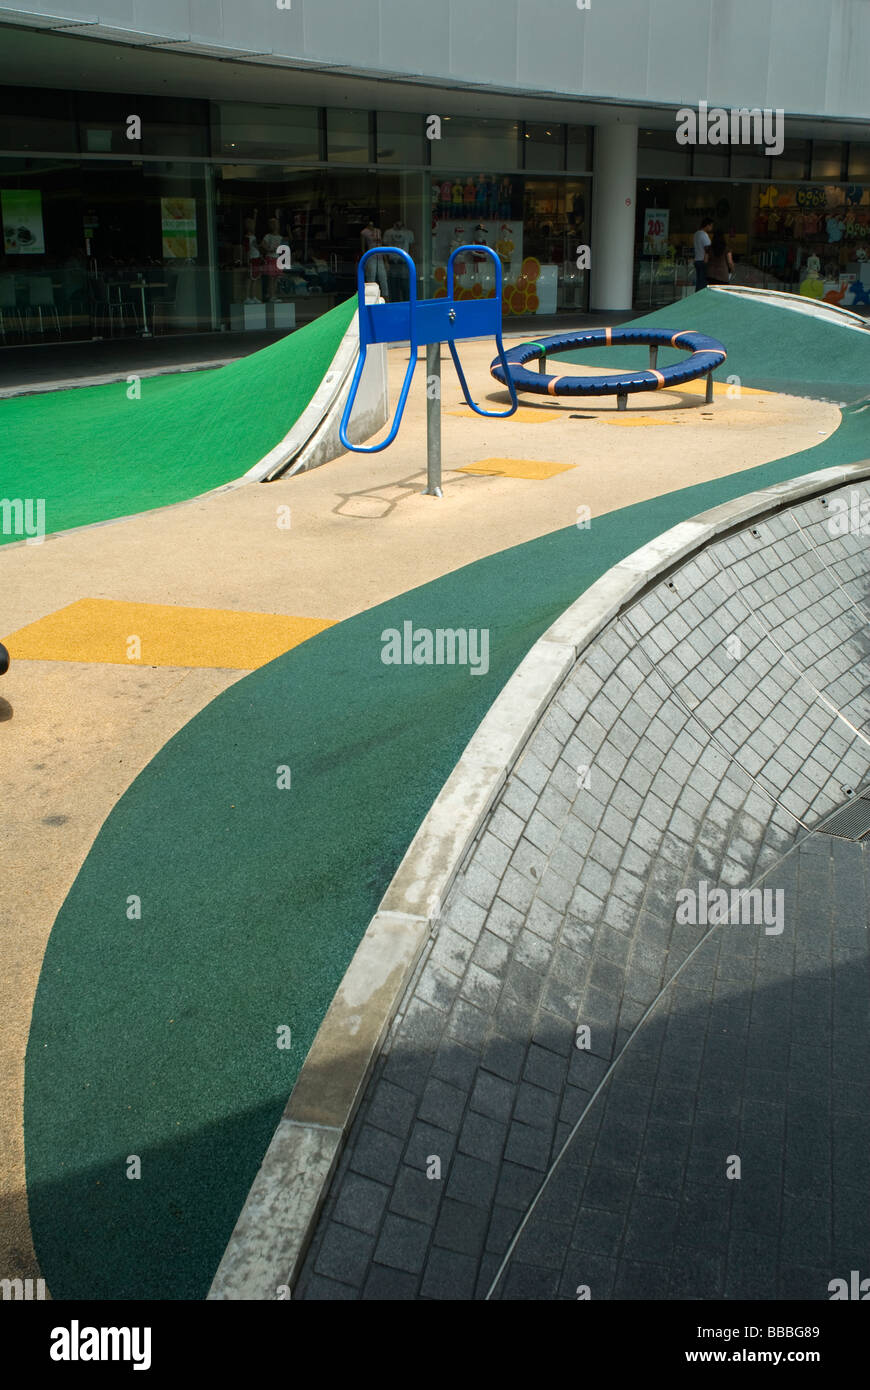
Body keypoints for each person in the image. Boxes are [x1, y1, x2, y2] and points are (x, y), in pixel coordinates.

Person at [693, 217, 713, 291]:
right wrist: (707, 259)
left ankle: (697, 296)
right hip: (703, 260)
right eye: (711, 226)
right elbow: (707, 248)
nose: (711, 228)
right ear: (707, 225)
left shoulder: (696, 234)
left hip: (697, 260)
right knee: (703, 283)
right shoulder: (704, 234)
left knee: (699, 281)